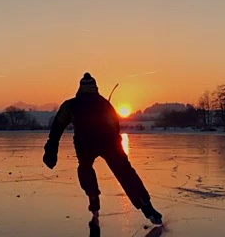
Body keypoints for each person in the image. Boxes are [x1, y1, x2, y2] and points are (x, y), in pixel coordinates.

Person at [42, 72, 163, 225]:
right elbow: (114, 124)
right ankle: (147, 206)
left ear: (80, 88)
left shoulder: (70, 104)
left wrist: (51, 149)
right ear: (95, 87)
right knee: (125, 172)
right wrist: (116, 141)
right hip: (108, 142)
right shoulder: (104, 103)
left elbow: (57, 127)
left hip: (84, 144)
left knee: (85, 167)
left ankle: (93, 199)